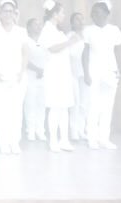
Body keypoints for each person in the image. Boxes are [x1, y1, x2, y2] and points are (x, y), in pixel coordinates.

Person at [0, 0, 29, 155]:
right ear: (0, 13)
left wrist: (21, 73)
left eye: (11, 11)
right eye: (5, 11)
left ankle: (14, 142)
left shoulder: (21, 31)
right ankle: (3, 142)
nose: (8, 14)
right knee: (1, 110)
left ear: (15, 13)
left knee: (16, 110)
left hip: (17, 76)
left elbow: (25, 54)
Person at [81, 1, 121, 149]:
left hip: (110, 71)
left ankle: (104, 139)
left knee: (107, 106)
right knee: (93, 106)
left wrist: (120, 69)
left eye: (100, 13)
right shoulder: (88, 30)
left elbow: (118, 51)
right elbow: (85, 53)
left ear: (107, 14)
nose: (97, 16)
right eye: (94, 13)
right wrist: (86, 72)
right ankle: (91, 138)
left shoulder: (114, 30)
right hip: (94, 71)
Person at [38, 2, 79, 152]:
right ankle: (53, 141)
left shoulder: (57, 31)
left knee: (64, 108)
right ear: (54, 14)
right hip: (54, 74)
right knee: (55, 108)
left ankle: (64, 140)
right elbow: (52, 48)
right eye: (61, 13)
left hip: (63, 73)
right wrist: (69, 42)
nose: (63, 16)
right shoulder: (47, 30)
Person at [23, 18, 47, 143]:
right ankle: (30, 130)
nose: (38, 26)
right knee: (30, 103)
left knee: (41, 104)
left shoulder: (45, 41)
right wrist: (37, 69)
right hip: (30, 75)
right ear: (28, 27)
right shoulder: (25, 40)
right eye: (35, 24)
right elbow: (23, 59)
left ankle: (40, 130)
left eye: (39, 24)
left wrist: (42, 70)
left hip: (43, 76)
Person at [68, 11, 88, 141]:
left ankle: (81, 130)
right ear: (72, 23)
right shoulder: (70, 36)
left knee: (84, 103)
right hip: (73, 73)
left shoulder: (88, 35)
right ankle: (73, 131)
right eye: (77, 19)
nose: (80, 21)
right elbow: (70, 55)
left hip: (85, 73)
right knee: (75, 103)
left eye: (82, 19)